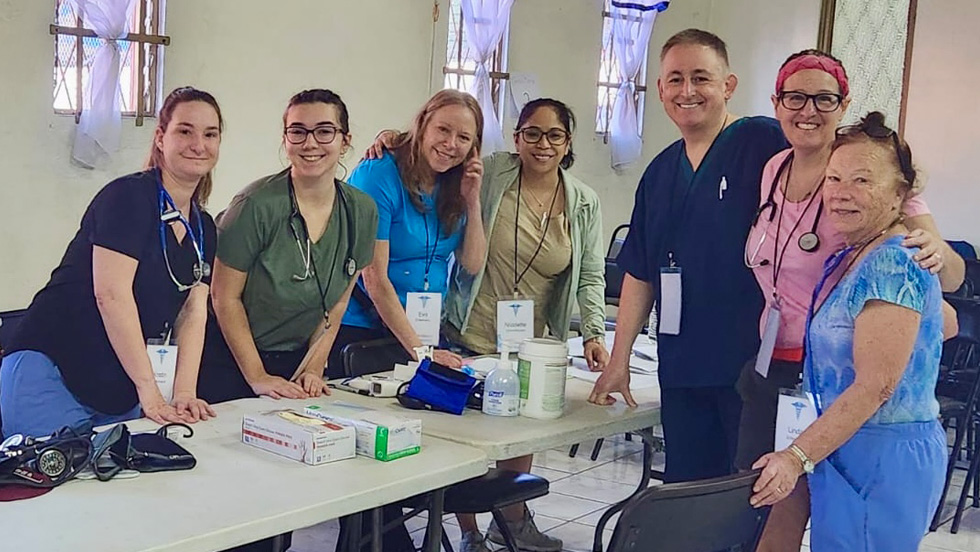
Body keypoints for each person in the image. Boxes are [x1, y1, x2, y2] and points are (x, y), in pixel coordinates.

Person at [735, 51, 964, 551]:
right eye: (834, 180)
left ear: (900, 193)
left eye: (862, 180)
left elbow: (878, 384)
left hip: (880, 443)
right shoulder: (847, 246)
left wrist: (796, 456)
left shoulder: (894, 257)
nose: (840, 192)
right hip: (823, 412)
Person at [588, 29, 788, 484]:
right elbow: (640, 271)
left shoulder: (761, 142)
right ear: (659, 89)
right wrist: (619, 362)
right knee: (688, 489)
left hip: (750, 362)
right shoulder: (659, 172)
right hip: (682, 363)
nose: (687, 91)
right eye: (675, 79)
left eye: (701, 78)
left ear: (728, 86)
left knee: (743, 493)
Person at [0, 87, 221, 438]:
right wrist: (149, 390)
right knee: (57, 487)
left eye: (210, 134)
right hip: (52, 367)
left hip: (116, 383)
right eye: (185, 131)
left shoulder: (204, 227)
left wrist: (183, 393)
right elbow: (111, 295)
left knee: (124, 484)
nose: (199, 144)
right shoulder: (128, 197)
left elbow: (193, 312)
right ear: (161, 138)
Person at [198, 88, 377, 404]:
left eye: (324, 132)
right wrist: (258, 377)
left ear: (345, 140)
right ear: (285, 139)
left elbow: (336, 304)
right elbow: (223, 297)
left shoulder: (361, 211)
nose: (310, 143)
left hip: (296, 361)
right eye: (298, 132)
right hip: (230, 359)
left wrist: (313, 368)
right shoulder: (255, 205)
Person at [326, 89, 486, 374]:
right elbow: (374, 278)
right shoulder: (378, 174)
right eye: (443, 130)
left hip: (423, 332)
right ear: (422, 126)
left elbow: (472, 264)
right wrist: (422, 354)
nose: (451, 144)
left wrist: (472, 201)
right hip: (366, 331)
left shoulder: (454, 183)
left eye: (463, 138)